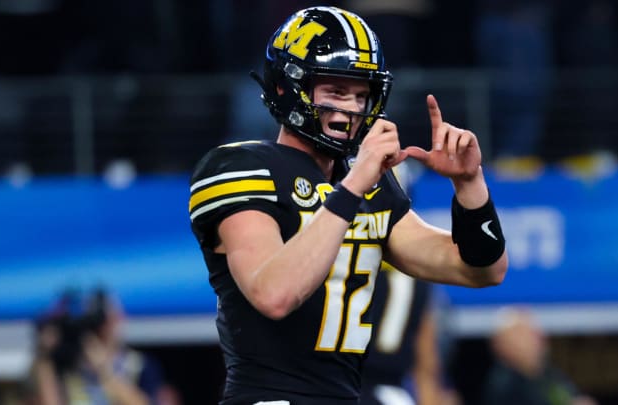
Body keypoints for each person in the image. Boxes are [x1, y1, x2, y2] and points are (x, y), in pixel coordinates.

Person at [188, 6, 508, 404]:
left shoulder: (368, 186)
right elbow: (274, 294)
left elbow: (482, 270)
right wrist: (354, 184)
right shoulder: (239, 167)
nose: (352, 109)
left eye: (361, 95)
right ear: (289, 87)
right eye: (336, 92)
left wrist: (468, 184)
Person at [27, 289, 175, 405]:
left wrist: (104, 372)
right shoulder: (66, 367)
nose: (101, 328)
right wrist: (47, 355)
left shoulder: (138, 365)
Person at [359, 261, 460, 405]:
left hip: (345, 381)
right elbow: (426, 362)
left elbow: (426, 360)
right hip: (390, 391)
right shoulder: (418, 266)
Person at [481, 307, 597, 405]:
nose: (536, 338)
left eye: (534, 332)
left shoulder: (547, 373)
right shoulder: (504, 385)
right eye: (522, 335)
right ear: (500, 345)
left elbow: (570, 397)